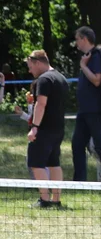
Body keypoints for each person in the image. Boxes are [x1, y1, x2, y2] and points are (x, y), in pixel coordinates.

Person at [71, 26, 101, 183]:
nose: (76, 43)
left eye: (77, 39)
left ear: (84, 38)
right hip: (84, 110)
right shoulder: (88, 56)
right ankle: (79, 181)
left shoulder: (96, 56)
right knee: (77, 144)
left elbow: (97, 80)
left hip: (94, 109)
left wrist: (83, 66)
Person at [24, 50, 68, 209]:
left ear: (38, 62)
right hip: (58, 129)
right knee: (54, 163)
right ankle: (56, 200)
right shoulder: (61, 78)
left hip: (43, 129)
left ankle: (44, 200)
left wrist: (34, 127)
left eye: (30, 66)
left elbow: (41, 104)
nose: (30, 71)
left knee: (36, 163)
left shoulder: (44, 79)